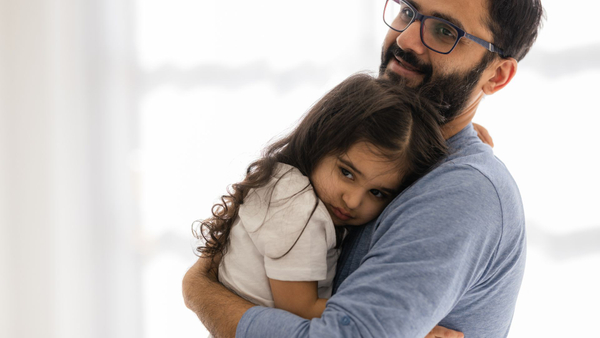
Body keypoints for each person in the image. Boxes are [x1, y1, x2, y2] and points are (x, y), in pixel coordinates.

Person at [183, 0, 545, 337]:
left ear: (496, 76)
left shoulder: (464, 191)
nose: (405, 39)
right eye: (407, 11)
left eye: (444, 32)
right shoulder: (401, 160)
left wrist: (200, 290)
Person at [194, 74, 456, 334]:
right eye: (347, 173)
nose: (353, 200)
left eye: (377, 193)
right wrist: (405, 325)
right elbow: (298, 308)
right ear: (320, 140)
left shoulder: (283, 182)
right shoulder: (295, 203)